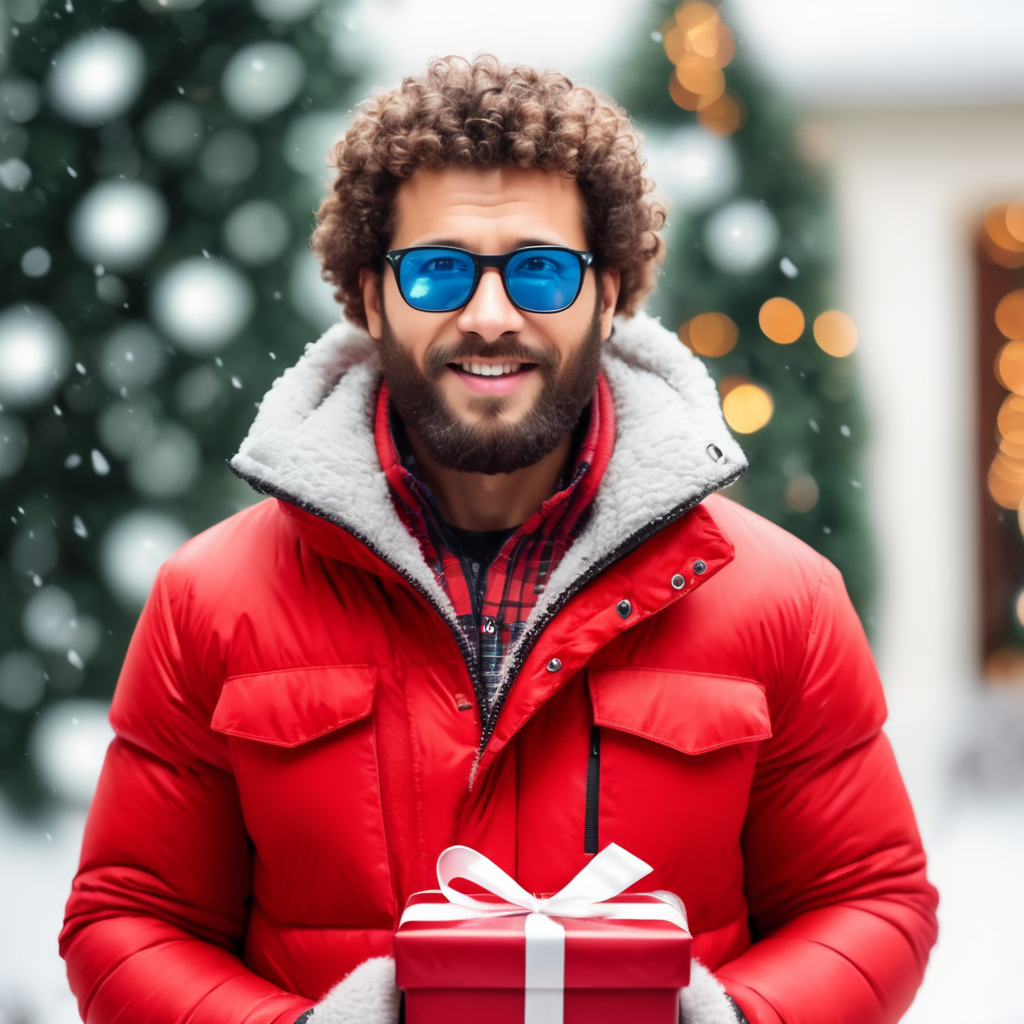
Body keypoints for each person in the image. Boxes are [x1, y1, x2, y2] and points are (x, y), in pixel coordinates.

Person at [60, 56, 937, 1024]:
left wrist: (730, 1019)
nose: (489, 315)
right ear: (369, 291)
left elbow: (871, 903)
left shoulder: (782, 598)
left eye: (539, 269)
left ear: (608, 292)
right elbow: (127, 919)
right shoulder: (211, 599)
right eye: (436, 269)